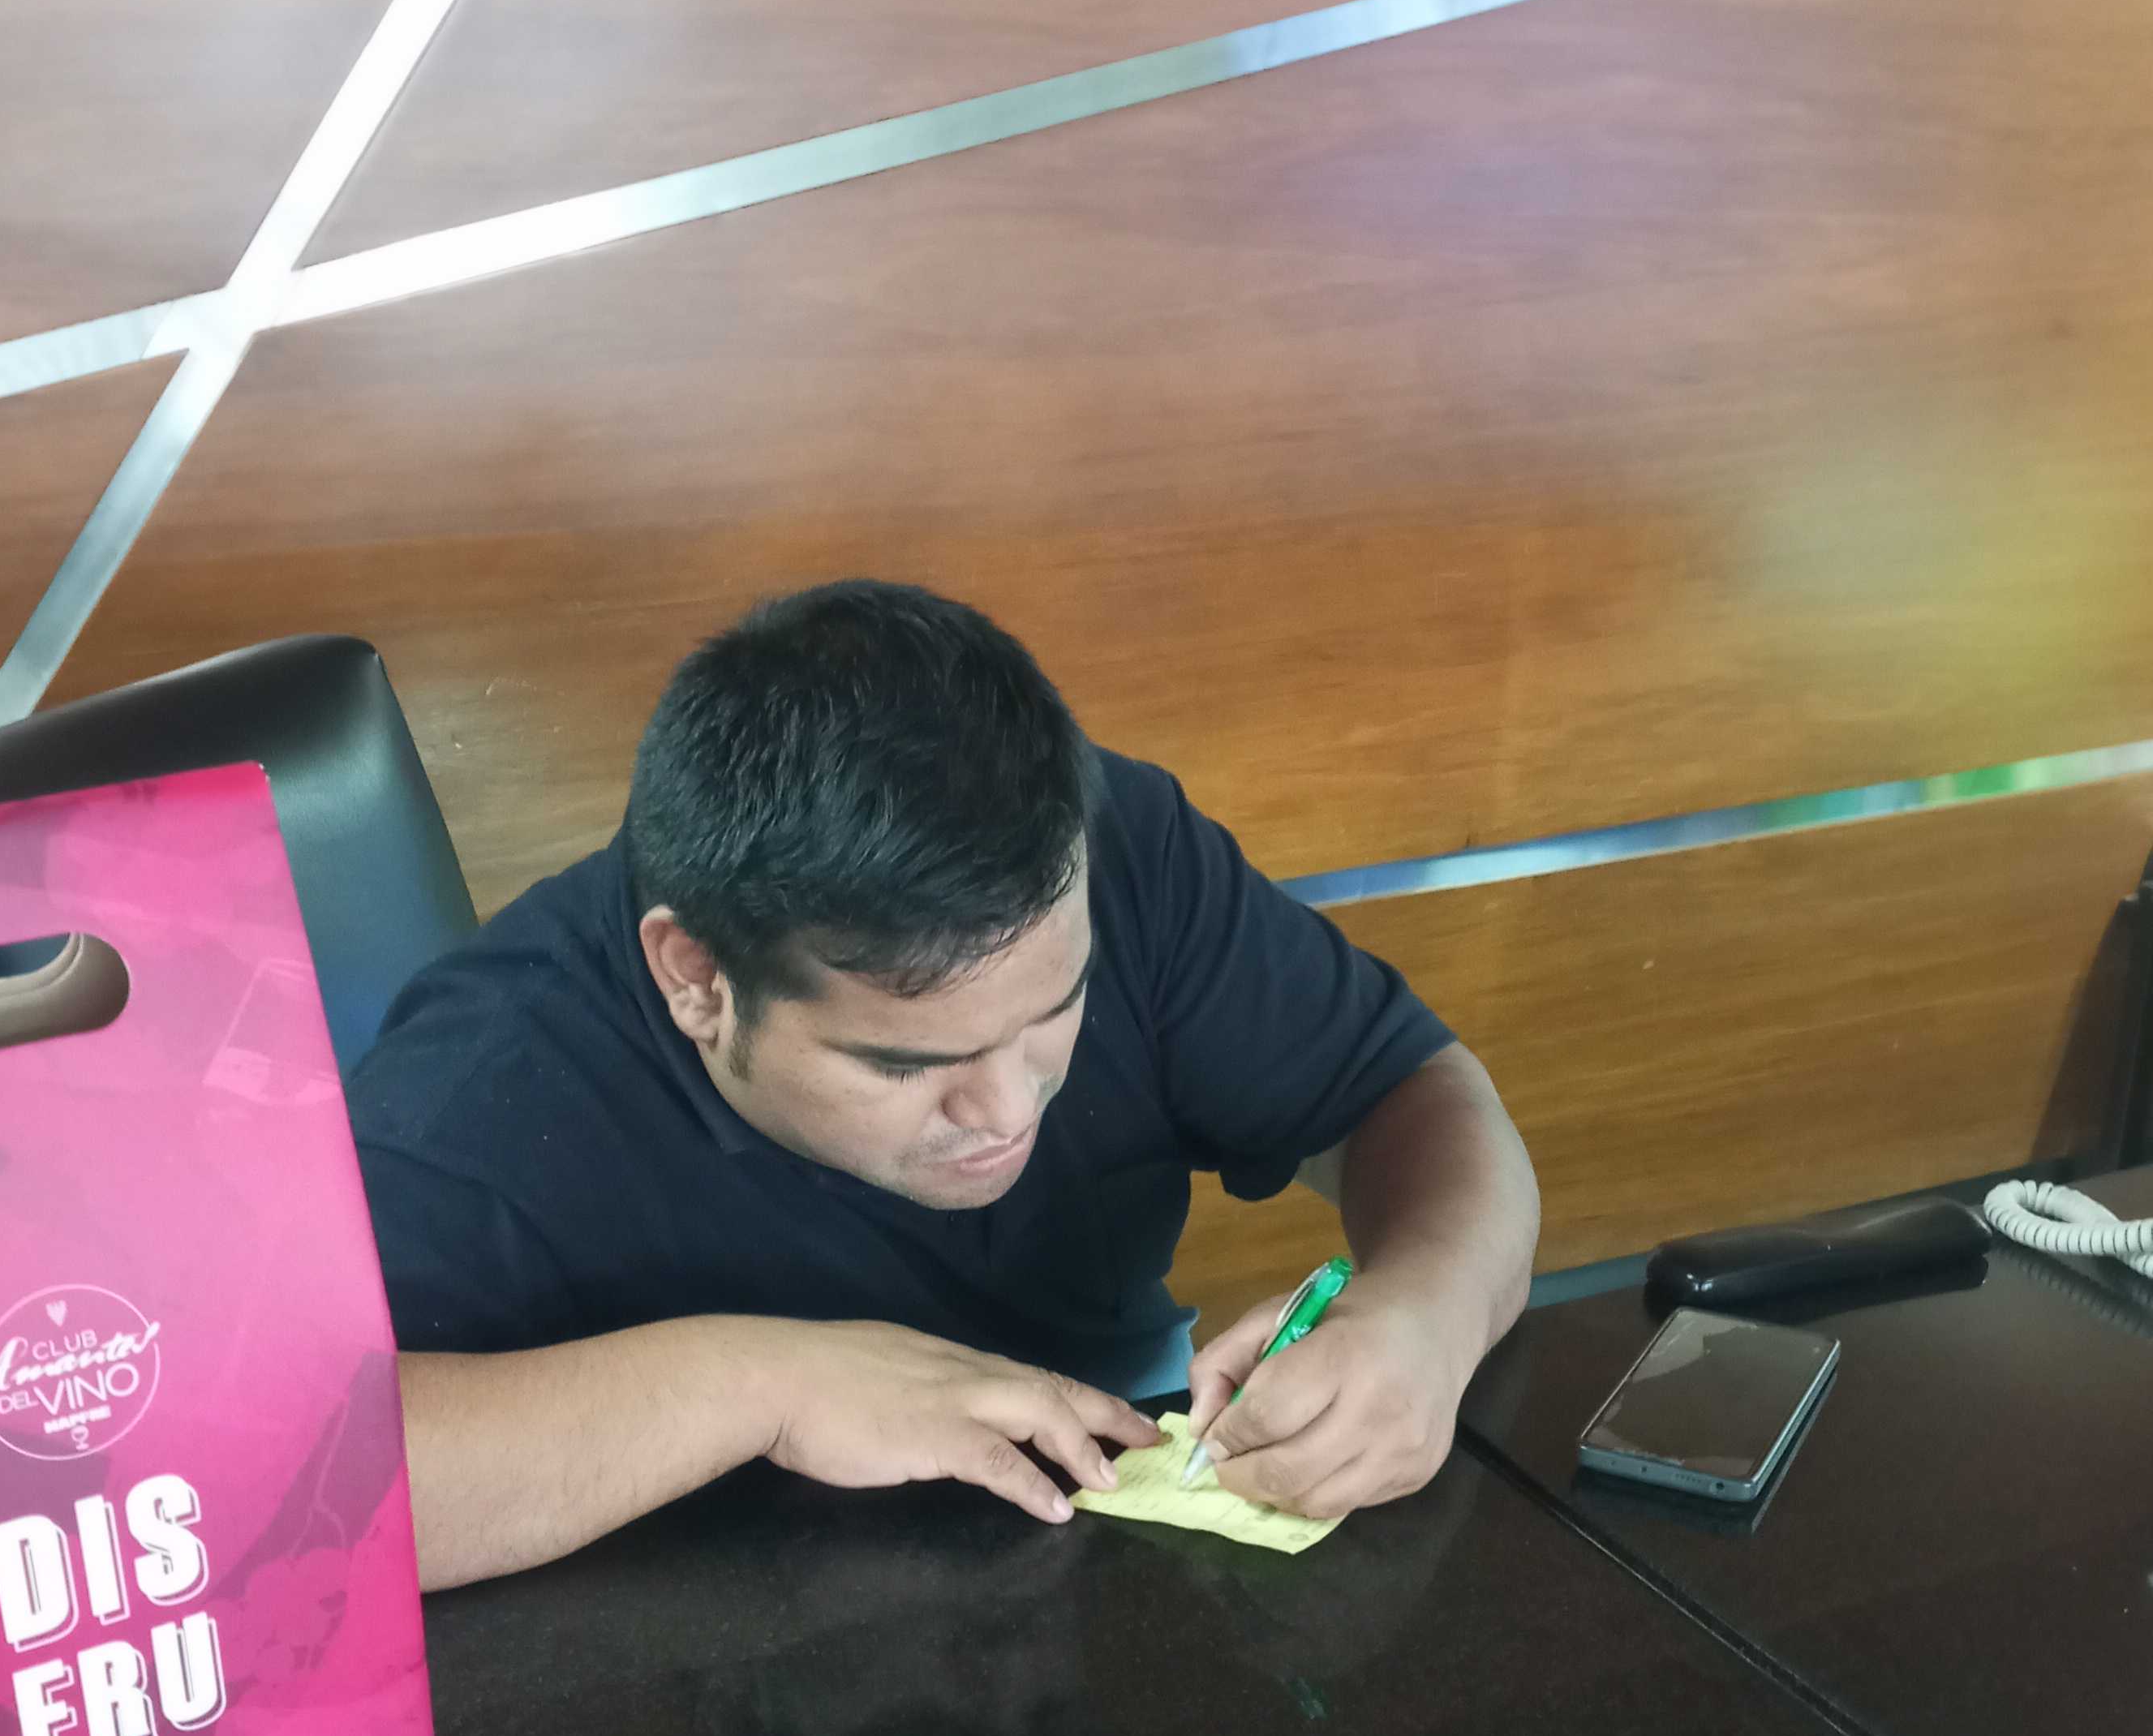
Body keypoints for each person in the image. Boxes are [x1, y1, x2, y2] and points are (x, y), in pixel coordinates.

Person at [348, 580, 1538, 1589]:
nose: (1009, 1112)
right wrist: (766, 1384)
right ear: (697, 978)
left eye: (1055, 1012)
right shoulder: (484, 1088)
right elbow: (286, 1495)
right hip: (689, 1627)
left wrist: (1427, 1314)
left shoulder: (1117, 849)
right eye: (907, 1063)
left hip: (1101, 1566)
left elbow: (1408, 1090)